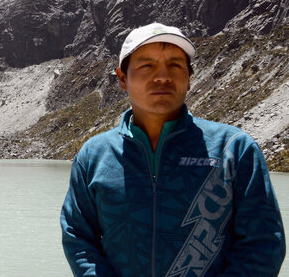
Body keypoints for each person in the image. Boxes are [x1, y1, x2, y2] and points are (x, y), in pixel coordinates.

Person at [60, 22, 285, 276]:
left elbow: (264, 243)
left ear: (189, 79)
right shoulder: (94, 156)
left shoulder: (234, 149)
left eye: (175, 65)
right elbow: (78, 237)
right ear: (122, 79)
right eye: (147, 65)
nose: (163, 76)